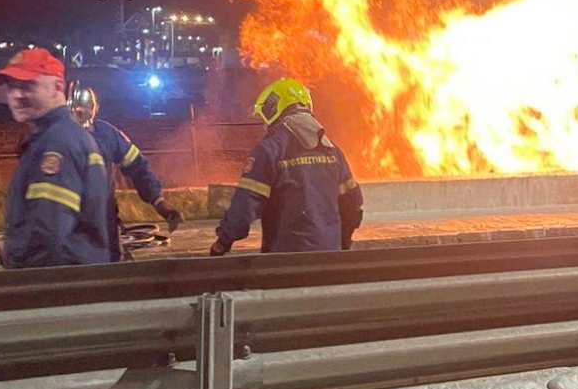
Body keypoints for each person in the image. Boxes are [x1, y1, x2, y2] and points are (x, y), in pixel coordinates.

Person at [209, 78, 363, 256]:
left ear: (273, 109)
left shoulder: (269, 150)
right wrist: (343, 241)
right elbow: (352, 204)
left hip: (285, 257)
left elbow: (246, 204)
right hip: (330, 255)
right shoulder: (333, 151)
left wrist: (224, 241)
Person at [0, 48, 113, 268]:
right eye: (11, 87)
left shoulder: (56, 145)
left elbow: (46, 236)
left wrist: (18, 277)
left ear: (57, 87)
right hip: (74, 278)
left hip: (58, 282)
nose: (16, 95)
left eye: (28, 86)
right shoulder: (60, 136)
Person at [68, 83, 183, 261]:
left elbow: (137, 166)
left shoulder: (108, 135)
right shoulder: (56, 137)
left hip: (104, 220)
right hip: (68, 222)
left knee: (110, 268)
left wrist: (158, 201)